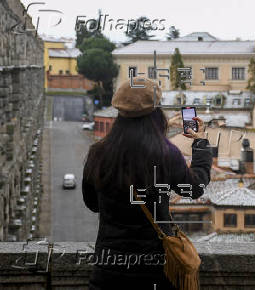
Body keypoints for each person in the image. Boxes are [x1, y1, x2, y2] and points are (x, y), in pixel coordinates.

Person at [82, 77, 212, 289]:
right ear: (156, 112)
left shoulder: (99, 152)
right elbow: (195, 187)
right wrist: (201, 144)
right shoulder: (165, 154)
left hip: (109, 267)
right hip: (154, 269)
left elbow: (93, 204)